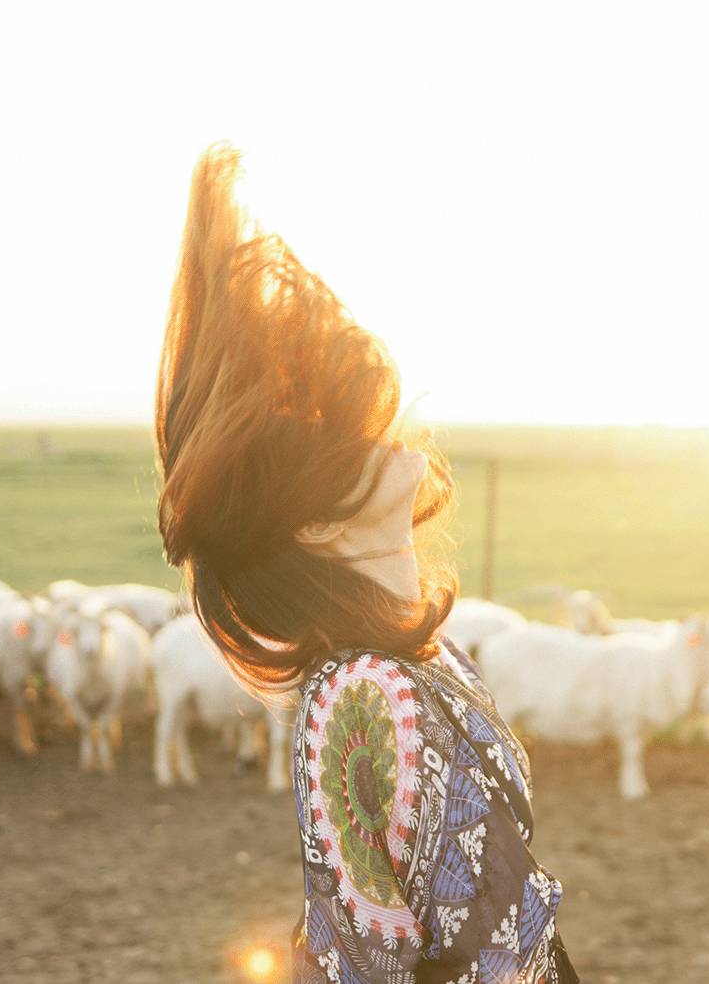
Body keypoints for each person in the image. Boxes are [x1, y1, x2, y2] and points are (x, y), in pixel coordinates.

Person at [154, 144, 578, 984]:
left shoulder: (424, 656)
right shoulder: (358, 695)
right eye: (343, 440)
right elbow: (364, 957)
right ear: (310, 526)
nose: (381, 434)